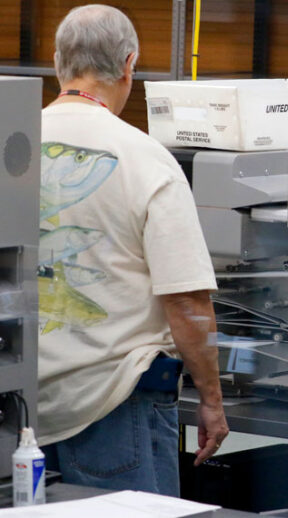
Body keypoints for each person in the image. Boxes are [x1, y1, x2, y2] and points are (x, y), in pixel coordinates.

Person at [37, 4, 228, 496]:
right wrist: (211, 400)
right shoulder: (146, 158)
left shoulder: (12, 144)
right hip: (116, 402)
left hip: (22, 406)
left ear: (59, 61)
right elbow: (186, 302)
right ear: (129, 65)